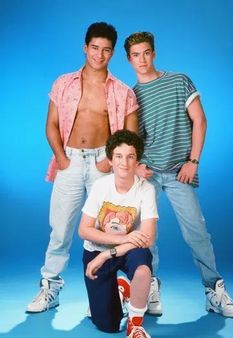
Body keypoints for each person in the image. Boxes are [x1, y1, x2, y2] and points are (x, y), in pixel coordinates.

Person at [26, 22, 139, 313]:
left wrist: (110, 160)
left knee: (106, 230)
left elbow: (131, 136)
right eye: (94, 48)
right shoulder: (63, 83)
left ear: (113, 53)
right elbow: (51, 124)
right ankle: (50, 287)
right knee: (61, 228)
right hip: (71, 160)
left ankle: (104, 295)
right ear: (84, 47)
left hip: (105, 163)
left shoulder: (123, 91)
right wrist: (62, 157)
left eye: (106, 50)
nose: (99, 55)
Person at [123, 31, 233, 318]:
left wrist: (193, 161)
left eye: (147, 52)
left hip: (178, 172)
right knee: (146, 236)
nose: (142, 59)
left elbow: (200, 120)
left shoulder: (179, 81)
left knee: (197, 232)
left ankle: (214, 291)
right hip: (147, 174)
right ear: (128, 59)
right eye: (136, 55)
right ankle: (150, 289)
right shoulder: (132, 96)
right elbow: (134, 139)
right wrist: (136, 166)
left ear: (154, 53)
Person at [78, 129, 158, 338]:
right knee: (107, 325)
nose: (124, 162)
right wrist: (121, 239)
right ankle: (122, 289)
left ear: (137, 160)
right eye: (119, 156)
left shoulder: (146, 189)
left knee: (142, 269)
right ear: (111, 160)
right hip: (97, 250)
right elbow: (83, 230)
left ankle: (135, 325)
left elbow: (148, 237)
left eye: (130, 156)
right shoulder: (100, 186)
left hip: (128, 250)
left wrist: (109, 253)